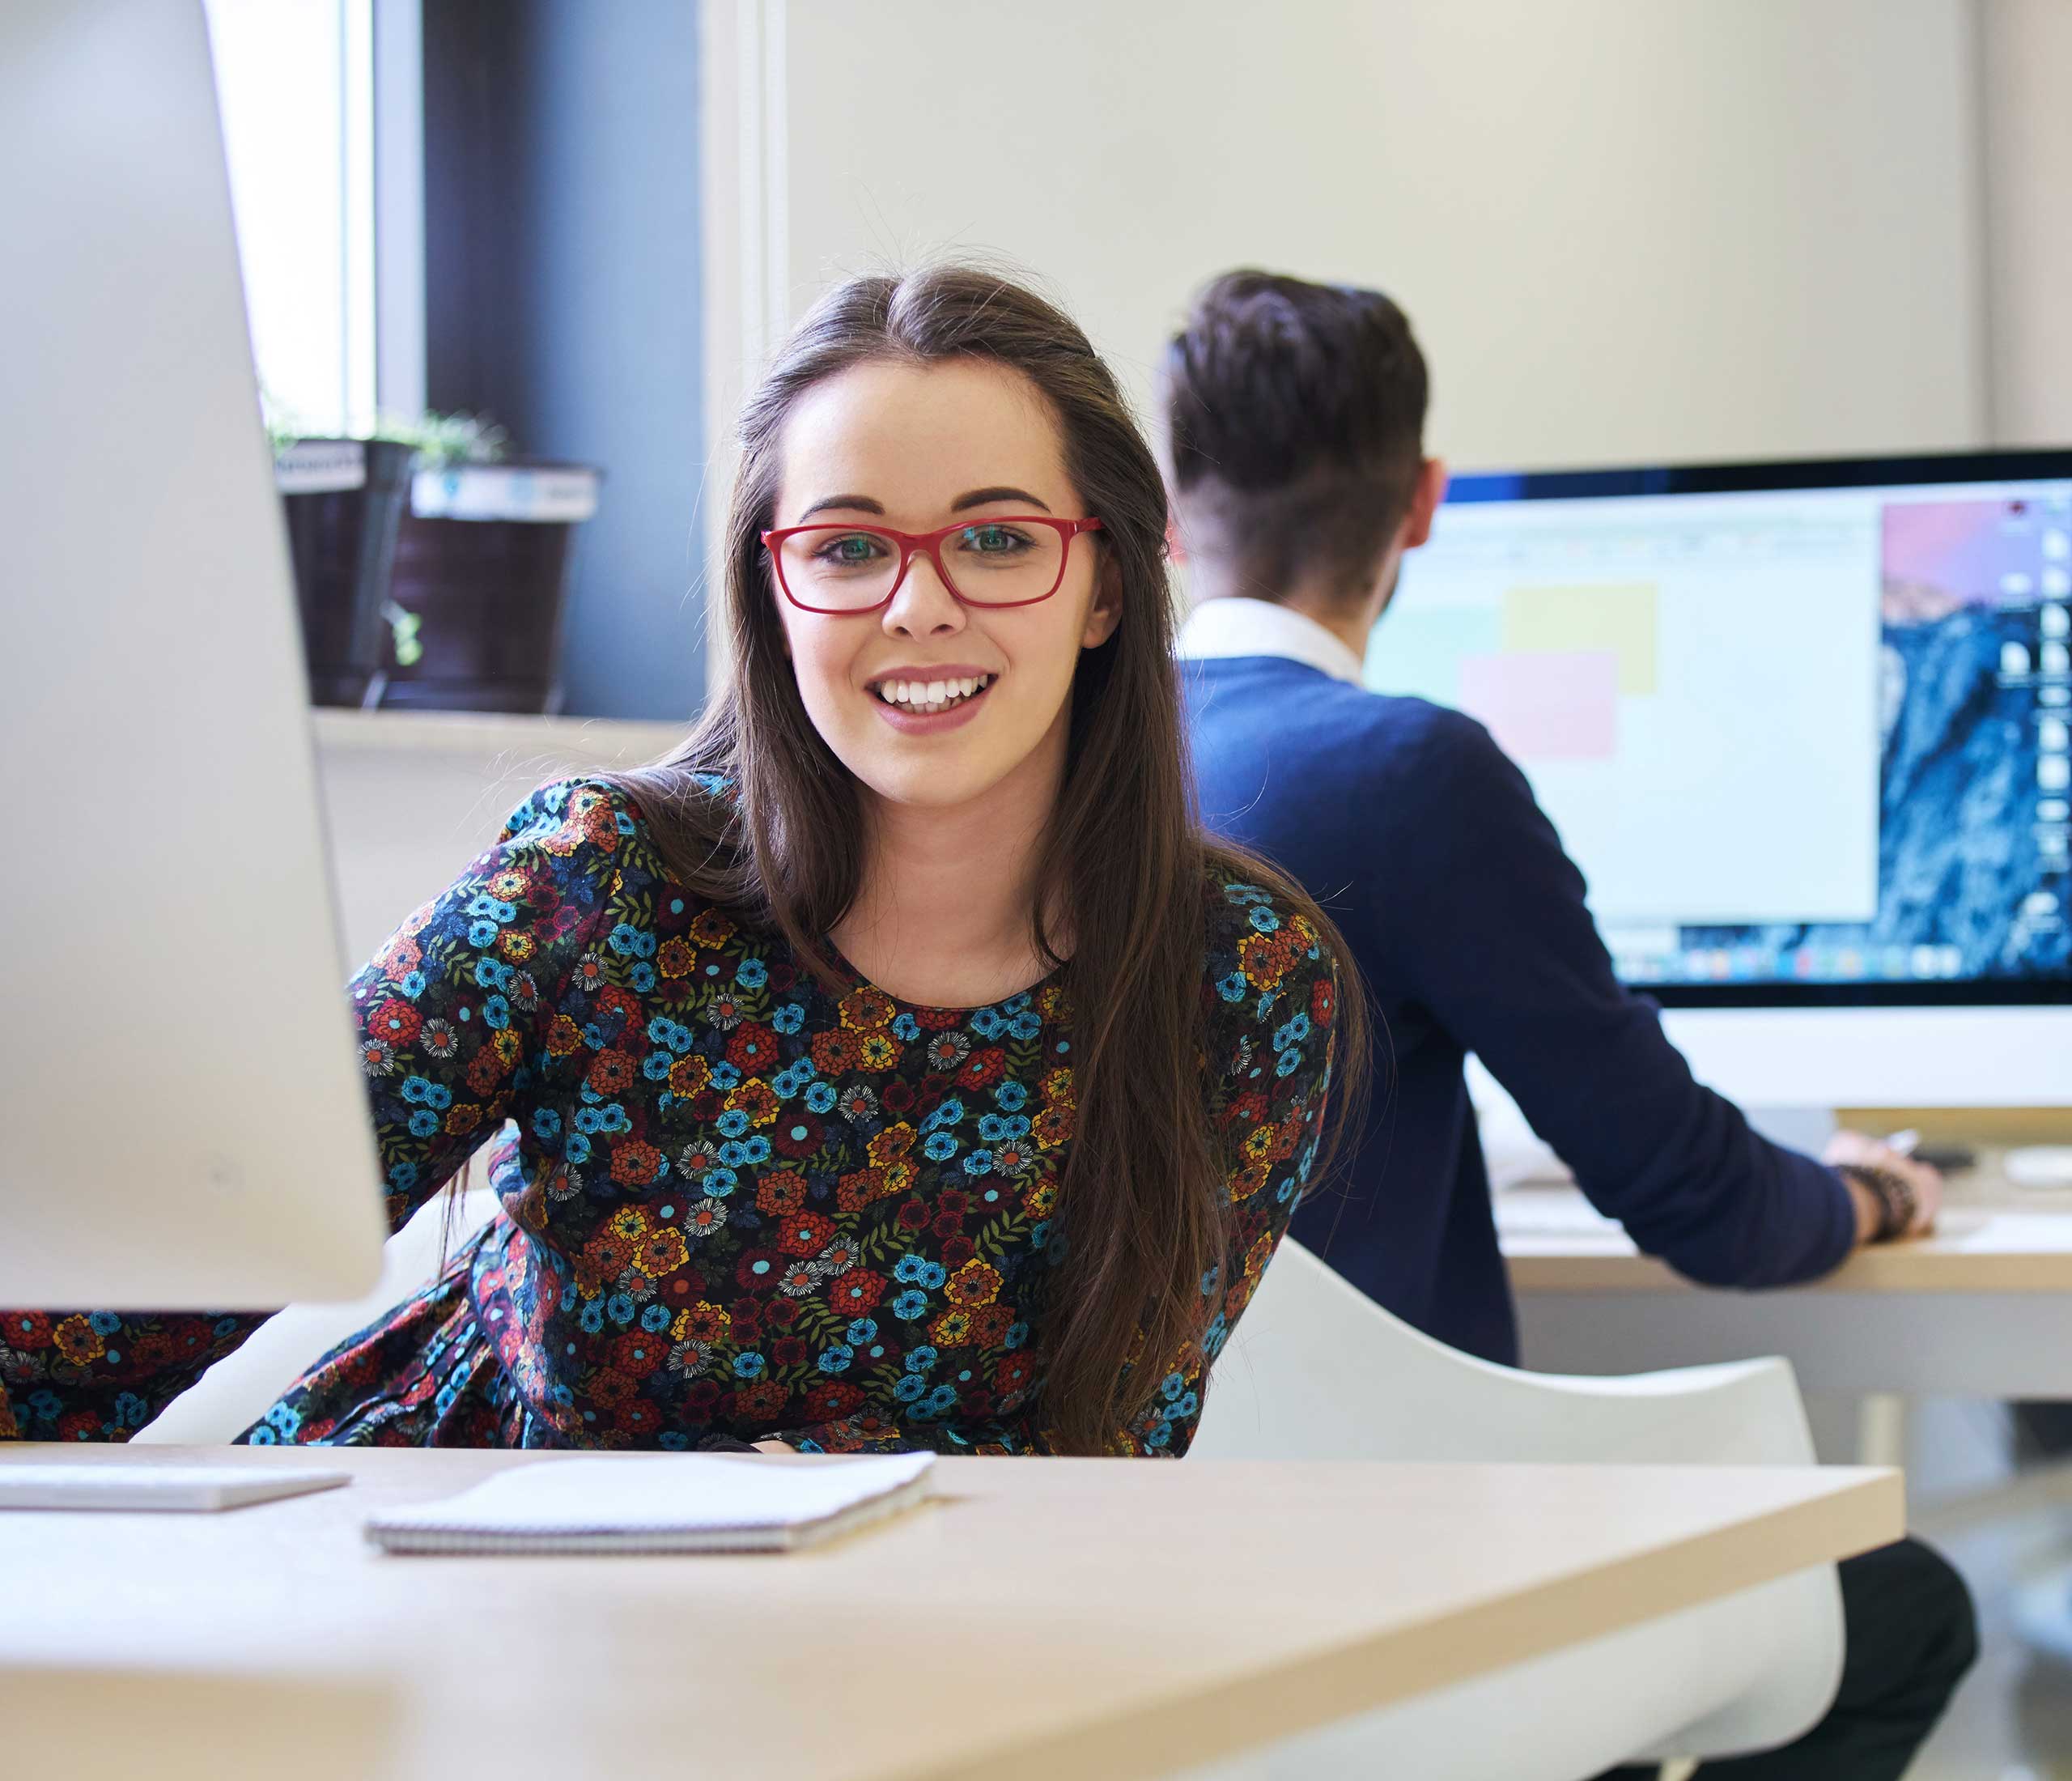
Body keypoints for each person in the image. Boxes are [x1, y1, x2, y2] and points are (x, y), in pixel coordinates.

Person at [0, 266, 1358, 1460]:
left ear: (1108, 584)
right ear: (774, 589)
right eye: (846, 546)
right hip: (450, 1599)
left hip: (914, 1676)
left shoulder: (1240, 982)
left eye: (999, 538)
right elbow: (156, 1280)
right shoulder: (595, 885)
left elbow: (1098, 1466)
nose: (920, 602)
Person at [1164, 270, 1975, 1777]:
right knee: (1908, 1611)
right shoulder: (1410, 771)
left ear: (1161, 507)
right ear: (1424, 503)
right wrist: (1876, 1189)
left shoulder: (1078, 765)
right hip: (1385, 1559)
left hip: (1147, 1563)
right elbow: (1701, 1207)